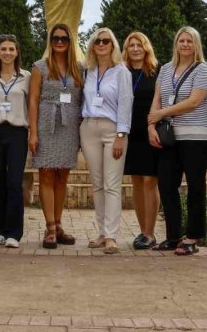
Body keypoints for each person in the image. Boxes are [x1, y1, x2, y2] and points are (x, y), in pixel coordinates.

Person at [147, 26, 207, 256]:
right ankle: (173, 236)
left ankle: (193, 237)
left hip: (196, 135)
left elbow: (194, 102)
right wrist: (150, 125)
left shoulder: (202, 70)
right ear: (176, 44)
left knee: (195, 186)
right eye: (181, 40)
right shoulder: (165, 69)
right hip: (170, 135)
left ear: (196, 45)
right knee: (166, 185)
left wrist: (162, 113)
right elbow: (157, 98)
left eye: (190, 41)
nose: (185, 44)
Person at [28, 23, 83, 250]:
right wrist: (33, 132)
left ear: (71, 42)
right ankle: (50, 228)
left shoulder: (78, 68)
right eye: (55, 38)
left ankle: (59, 225)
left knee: (62, 177)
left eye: (64, 39)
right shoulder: (39, 67)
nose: (59, 42)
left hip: (68, 127)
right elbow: (32, 100)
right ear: (50, 42)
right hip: (46, 126)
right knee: (47, 175)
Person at [80, 27, 133, 255]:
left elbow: (126, 103)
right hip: (89, 127)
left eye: (106, 41)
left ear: (113, 45)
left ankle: (112, 236)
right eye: (97, 41)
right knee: (98, 184)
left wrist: (121, 135)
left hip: (113, 130)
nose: (101, 44)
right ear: (92, 46)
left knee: (112, 184)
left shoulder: (122, 72)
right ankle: (102, 233)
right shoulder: (88, 71)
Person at [0, 35, 31, 249]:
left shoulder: (26, 77)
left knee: (14, 182)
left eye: (11, 49)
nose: (7, 53)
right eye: (3, 49)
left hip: (17, 133)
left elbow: (32, 106)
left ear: (17, 52)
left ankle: (14, 232)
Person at [122, 31, 160, 250]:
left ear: (146, 48)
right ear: (126, 50)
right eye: (131, 45)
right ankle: (142, 230)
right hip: (130, 132)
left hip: (150, 131)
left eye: (139, 45)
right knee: (136, 180)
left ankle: (150, 232)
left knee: (150, 180)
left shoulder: (158, 71)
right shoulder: (122, 72)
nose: (135, 49)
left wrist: (153, 125)